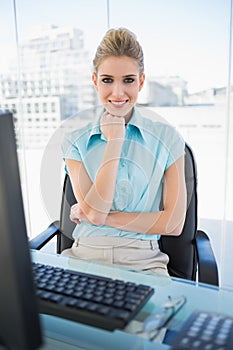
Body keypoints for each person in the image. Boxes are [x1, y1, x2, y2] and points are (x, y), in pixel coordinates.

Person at [61, 27, 187, 276]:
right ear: (96, 81)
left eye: (128, 80)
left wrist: (97, 216)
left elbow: (173, 224)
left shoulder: (167, 138)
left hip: (144, 262)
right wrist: (114, 140)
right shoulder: (74, 141)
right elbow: (94, 213)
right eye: (107, 80)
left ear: (140, 81)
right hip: (84, 257)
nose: (118, 93)